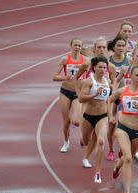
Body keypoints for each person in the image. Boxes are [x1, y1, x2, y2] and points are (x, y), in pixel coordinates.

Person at [107, 65, 138, 193]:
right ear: (131, 76)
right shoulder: (122, 91)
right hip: (123, 128)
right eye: (137, 75)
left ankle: (117, 166)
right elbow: (109, 100)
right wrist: (110, 116)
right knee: (127, 158)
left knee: (128, 158)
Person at [74, 56, 111, 184]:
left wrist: (110, 116)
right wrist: (94, 94)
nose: (102, 69)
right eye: (100, 67)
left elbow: (108, 101)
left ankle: (98, 172)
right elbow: (81, 99)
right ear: (94, 68)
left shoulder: (108, 82)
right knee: (86, 141)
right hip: (88, 117)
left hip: (102, 116)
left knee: (100, 141)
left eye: (104, 67)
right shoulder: (89, 82)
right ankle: (83, 143)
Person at [52, 37, 89, 152]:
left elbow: (91, 76)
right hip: (65, 92)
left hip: (77, 93)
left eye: (79, 45)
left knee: (76, 121)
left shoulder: (86, 61)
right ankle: (66, 142)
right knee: (66, 121)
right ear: (71, 46)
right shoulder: (65, 60)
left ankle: (81, 133)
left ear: (81, 47)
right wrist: (65, 77)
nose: (77, 47)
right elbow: (54, 76)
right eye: (75, 45)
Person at [106, 35, 130, 161]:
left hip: (124, 97)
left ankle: (122, 149)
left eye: (123, 46)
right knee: (111, 124)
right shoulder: (108, 61)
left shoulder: (129, 61)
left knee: (122, 123)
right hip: (111, 94)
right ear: (113, 47)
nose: (121, 48)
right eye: (118, 45)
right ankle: (110, 149)